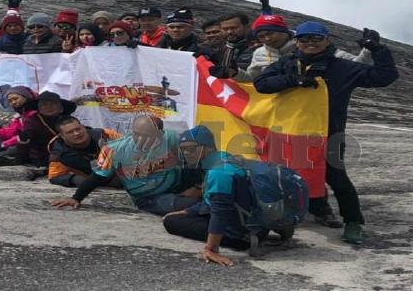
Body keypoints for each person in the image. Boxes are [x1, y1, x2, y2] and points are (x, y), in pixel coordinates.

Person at [254, 22, 398, 244]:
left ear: (327, 39)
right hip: (292, 133)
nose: (310, 43)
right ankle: (289, 217)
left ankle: (353, 222)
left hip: (330, 133)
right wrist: (293, 80)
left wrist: (378, 50)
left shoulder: (343, 67)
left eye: (316, 39)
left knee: (336, 177)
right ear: (296, 41)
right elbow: (261, 84)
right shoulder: (287, 63)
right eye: (304, 39)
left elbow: (384, 76)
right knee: (284, 175)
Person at [50, 114, 200, 215]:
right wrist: (76, 198)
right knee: (200, 207)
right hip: (151, 197)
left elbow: (196, 160)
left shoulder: (171, 137)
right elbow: (97, 177)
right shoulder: (113, 149)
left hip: (179, 184)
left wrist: (197, 187)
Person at [162, 126, 261, 266]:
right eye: (182, 149)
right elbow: (212, 201)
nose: (186, 153)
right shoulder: (229, 158)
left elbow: (220, 211)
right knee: (181, 212)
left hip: (243, 236)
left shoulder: (217, 172)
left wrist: (211, 249)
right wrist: (185, 212)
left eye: (191, 149)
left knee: (171, 222)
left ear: (207, 148)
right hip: (259, 223)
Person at [246, 14, 373, 81]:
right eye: (261, 36)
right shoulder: (259, 52)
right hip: (276, 112)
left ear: (283, 31)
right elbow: (251, 79)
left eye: (270, 33)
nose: (267, 39)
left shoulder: (314, 46)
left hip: (317, 111)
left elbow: (359, 67)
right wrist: (234, 73)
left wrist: (369, 49)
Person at [0, 91, 74, 167]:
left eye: (53, 104)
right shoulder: (32, 121)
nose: (49, 107)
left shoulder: (68, 119)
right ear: (38, 108)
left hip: (67, 150)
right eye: (44, 104)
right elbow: (25, 139)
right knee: (9, 151)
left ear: (61, 108)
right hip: (42, 154)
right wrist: (24, 138)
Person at [47, 116, 122, 187]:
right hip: (96, 179)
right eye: (70, 132)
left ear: (83, 127)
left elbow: (130, 146)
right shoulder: (60, 153)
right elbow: (54, 176)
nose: (76, 133)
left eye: (78, 129)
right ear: (62, 136)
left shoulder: (104, 134)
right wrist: (74, 179)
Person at [0, 86, 36, 158]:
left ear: (26, 97)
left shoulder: (33, 115)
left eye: (15, 99)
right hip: (20, 142)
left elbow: (23, 137)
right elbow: (7, 133)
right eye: (10, 101)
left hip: (32, 144)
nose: (13, 102)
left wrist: (2, 145)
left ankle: (18, 159)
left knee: (5, 153)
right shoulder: (20, 116)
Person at [208, 12, 256, 81]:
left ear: (247, 27)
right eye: (225, 29)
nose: (229, 32)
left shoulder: (257, 48)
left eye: (234, 28)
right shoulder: (223, 47)